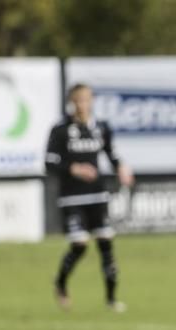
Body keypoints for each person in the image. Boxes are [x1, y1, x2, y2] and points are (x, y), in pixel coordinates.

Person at [46, 83, 134, 312]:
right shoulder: (60, 130)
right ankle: (61, 282)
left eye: (86, 100)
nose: (82, 105)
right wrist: (74, 168)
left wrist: (121, 167)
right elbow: (50, 161)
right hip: (71, 197)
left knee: (106, 243)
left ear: (92, 101)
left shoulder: (101, 127)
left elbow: (111, 153)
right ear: (71, 102)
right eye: (78, 100)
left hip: (97, 194)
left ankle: (111, 299)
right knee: (80, 244)